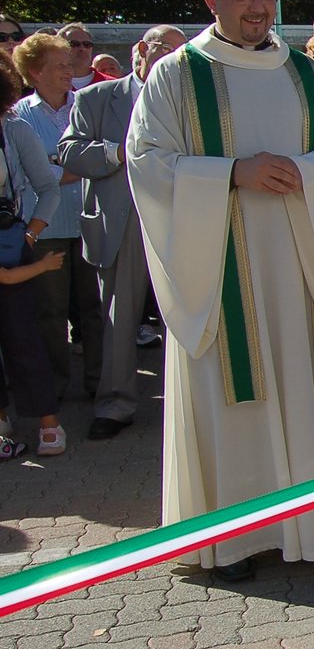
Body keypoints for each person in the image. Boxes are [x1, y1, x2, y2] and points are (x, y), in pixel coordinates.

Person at [127, 0, 314, 583]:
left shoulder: (303, 70)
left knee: (303, 377)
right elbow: (146, 163)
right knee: (234, 392)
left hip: (295, 264)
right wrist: (234, 173)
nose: (257, 9)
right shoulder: (178, 75)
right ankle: (231, 541)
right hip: (222, 268)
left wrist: (306, 170)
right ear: (210, 0)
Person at [58, 24, 187, 440]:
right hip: (122, 222)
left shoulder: (187, 101)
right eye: (160, 47)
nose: (166, 56)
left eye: (176, 51)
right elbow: (69, 150)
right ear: (138, 50)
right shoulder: (96, 98)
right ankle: (115, 404)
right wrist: (117, 152)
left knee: (185, 315)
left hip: (179, 221)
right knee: (119, 316)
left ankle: (188, 406)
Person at [13, 32, 103, 402]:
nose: (71, 70)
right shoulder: (20, 116)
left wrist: (56, 165)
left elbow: (102, 157)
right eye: (61, 65)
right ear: (35, 72)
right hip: (45, 229)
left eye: (70, 63)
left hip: (89, 223)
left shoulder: (85, 105)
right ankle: (54, 388)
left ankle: (100, 384)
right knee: (49, 315)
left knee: (95, 310)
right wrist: (82, 165)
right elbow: (30, 173)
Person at [0, 51, 67, 459]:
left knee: (24, 339)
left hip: (10, 248)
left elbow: (49, 187)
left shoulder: (15, 129)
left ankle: (48, 422)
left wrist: (29, 235)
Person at [58, 23, 107, 90]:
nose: (82, 49)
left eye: (87, 44)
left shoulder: (111, 85)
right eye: (74, 44)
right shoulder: (47, 84)